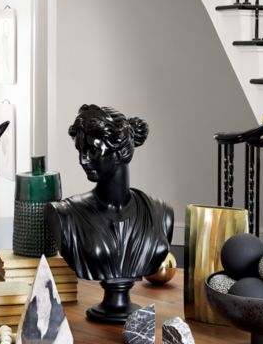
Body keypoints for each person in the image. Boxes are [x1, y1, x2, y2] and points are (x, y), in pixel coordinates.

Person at [45, 105, 174, 318]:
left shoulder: (161, 214)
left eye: (92, 150)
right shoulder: (64, 215)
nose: (83, 160)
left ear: (121, 152)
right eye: (80, 150)